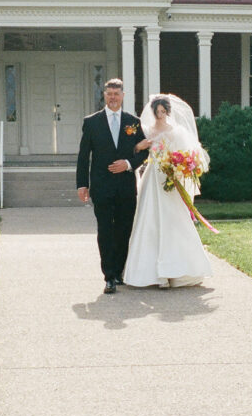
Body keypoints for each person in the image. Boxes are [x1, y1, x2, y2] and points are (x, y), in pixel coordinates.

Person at [124, 94, 212, 289]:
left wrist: (177, 167)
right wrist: (139, 146)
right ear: (153, 113)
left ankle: (177, 269)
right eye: (157, 112)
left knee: (173, 219)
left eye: (163, 112)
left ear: (168, 112)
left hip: (169, 176)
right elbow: (138, 148)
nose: (160, 115)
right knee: (149, 218)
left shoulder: (176, 131)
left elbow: (186, 152)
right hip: (152, 176)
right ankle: (151, 273)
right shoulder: (148, 130)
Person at [76, 78, 148, 294]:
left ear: (123, 96)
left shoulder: (133, 122)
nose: (113, 97)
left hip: (126, 185)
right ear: (104, 96)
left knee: (124, 228)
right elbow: (83, 155)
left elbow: (144, 150)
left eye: (117, 94)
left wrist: (128, 164)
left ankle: (119, 272)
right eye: (109, 94)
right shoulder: (92, 122)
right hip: (102, 185)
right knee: (105, 229)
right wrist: (82, 185)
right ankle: (108, 276)